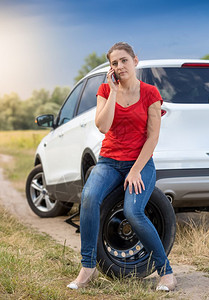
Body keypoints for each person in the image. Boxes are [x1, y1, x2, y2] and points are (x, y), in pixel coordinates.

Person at [67, 42, 177, 292]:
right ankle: (88, 267)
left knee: (134, 212)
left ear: (135, 60)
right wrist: (114, 93)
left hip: (140, 163)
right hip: (109, 162)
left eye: (124, 60)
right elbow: (103, 126)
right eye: (114, 63)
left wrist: (136, 170)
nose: (120, 66)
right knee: (89, 197)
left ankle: (166, 272)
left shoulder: (150, 93)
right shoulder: (106, 89)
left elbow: (152, 137)